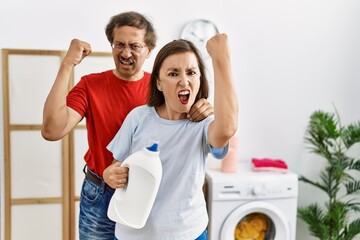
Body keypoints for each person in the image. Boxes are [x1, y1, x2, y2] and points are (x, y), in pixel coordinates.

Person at [41, 11, 214, 240]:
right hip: (100, 192)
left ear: (149, 49)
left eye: (135, 45)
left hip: (149, 197)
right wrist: (67, 64)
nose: (125, 52)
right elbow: (52, 130)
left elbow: (193, 119)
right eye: (118, 44)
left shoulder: (166, 87)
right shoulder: (90, 85)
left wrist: (204, 107)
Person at [106, 33, 238, 240]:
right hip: (132, 233)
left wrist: (221, 58)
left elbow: (227, 129)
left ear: (199, 79)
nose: (184, 80)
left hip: (188, 233)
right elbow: (117, 167)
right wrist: (110, 176)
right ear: (159, 83)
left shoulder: (203, 126)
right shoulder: (138, 118)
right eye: (174, 73)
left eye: (191, 72)